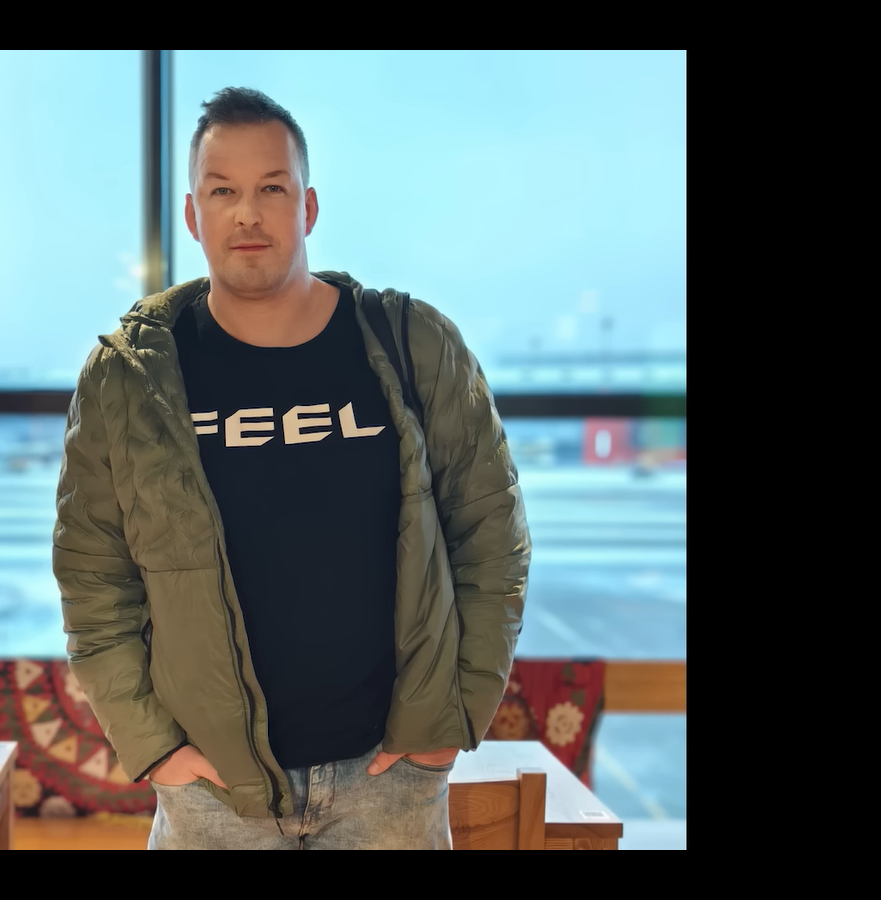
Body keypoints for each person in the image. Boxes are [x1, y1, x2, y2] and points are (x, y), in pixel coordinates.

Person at [53, 87, 528, 850]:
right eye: (223, 192)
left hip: (388, 779)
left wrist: (449, 720)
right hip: (213, 792)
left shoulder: (413, 345)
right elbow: (92, 578)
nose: (248, 214)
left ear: (307, 207)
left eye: (271, 188)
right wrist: (157, 749)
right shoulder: (129, 380)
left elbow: (491, 534)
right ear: (193, 215)